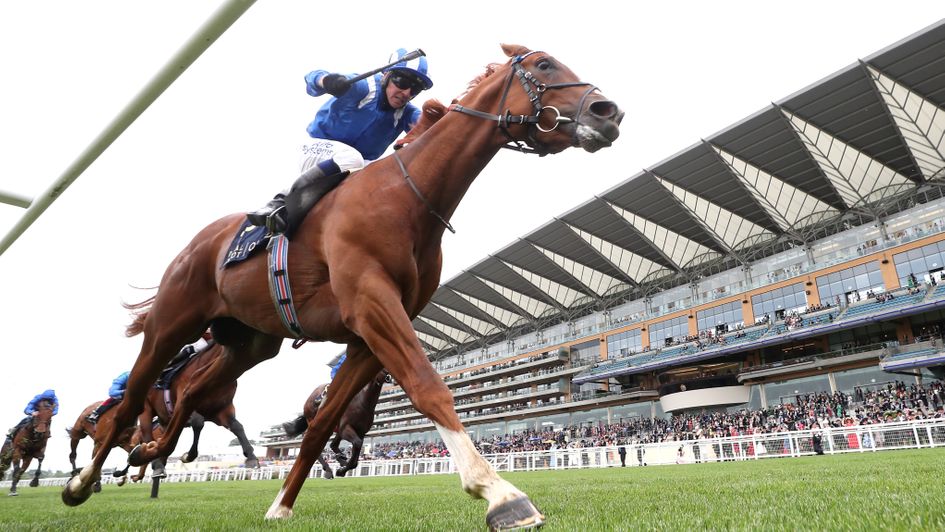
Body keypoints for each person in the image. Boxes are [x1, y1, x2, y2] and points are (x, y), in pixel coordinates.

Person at [246, 48, 433, 236]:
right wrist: (327, 81)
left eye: (415, 89)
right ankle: (280, 201)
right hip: (316, 148)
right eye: (402, 81)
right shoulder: (363, 87)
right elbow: (313, 77)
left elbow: (430, 127)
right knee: (352, 158)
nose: (406, 92)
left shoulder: (407, 113)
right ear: (386, 75)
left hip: (355, 166)